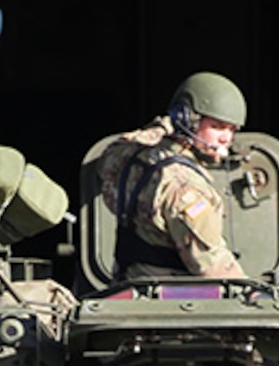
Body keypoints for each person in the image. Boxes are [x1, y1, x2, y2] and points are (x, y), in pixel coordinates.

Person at [98, 72, 248, 280]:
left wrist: (161, 127)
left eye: (232, 129)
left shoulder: (134, 156)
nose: (226, 138)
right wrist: (255, 297)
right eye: (217, 127)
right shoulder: (185, 188)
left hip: (130, 287)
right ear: (190, 121)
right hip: (173, 300)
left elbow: (111, 155)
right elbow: (212, 266)